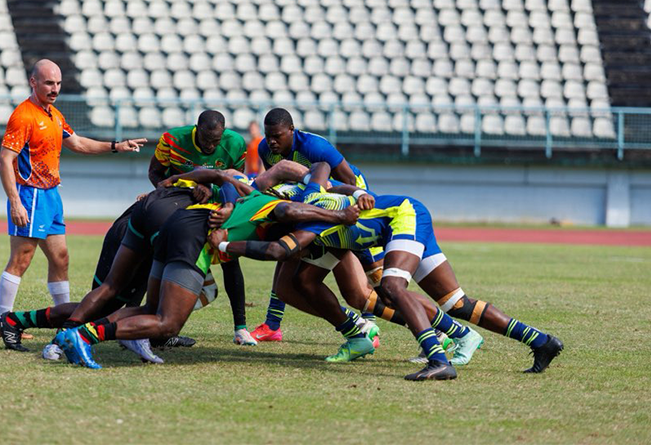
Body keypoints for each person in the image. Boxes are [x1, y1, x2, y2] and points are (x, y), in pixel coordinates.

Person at [218, 162, 565, 378]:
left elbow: (279, 248)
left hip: (401, 216)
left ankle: (438, 360)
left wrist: (222, 246)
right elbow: (320, 172)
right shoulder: (306, 199)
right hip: (390, 222)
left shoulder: (308, 222)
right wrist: (352, 191)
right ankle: (541, 341)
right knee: (456, 302)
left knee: (392, 289)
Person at [52, 181, 360, 369]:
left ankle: (78, 333)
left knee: (151, 310)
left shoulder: (256, 197)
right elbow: (291, 213)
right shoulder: (279, 207)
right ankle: (83, 335)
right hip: (192, 237)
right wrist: (340, 216)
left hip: (177, 225)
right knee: (167, 323)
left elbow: (234, 184)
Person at [0, 59, 146, 337]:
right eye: (49, 83)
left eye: (58, 83)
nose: (54, 89)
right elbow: (5, 161)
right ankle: (2, 322)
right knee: (22, 258)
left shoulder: (53, 114)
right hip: (31, 195)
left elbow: (77, 143)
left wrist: (116, 146)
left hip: (51, 195)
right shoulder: (23, 116)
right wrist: (15, 201)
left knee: (61, 258)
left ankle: (68, 321)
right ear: (33, 82)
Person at [252, 108, 370, 343]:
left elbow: (348, 179)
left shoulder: (314, 147)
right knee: (287, 252)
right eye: (268, 135)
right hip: (308, 201)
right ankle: (272, 325)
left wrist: (343, 204)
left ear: (291, 131)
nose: (272, 141)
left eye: (277, 136)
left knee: (364, 257)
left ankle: (369, 321)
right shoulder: (265, 149)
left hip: (348, 195)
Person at [147, 110, 256, 345]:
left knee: (229, 257)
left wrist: (211, 191)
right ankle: (151, 322)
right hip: (177, 205)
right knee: (160, 256)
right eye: (206, 139)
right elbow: (155, 172)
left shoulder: (236, 144)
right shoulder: (172, 139)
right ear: (197, 129)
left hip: (214, 207)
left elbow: (234, 183)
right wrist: (176, 191)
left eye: (215, 141)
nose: (210, 145)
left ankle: (241, 327)